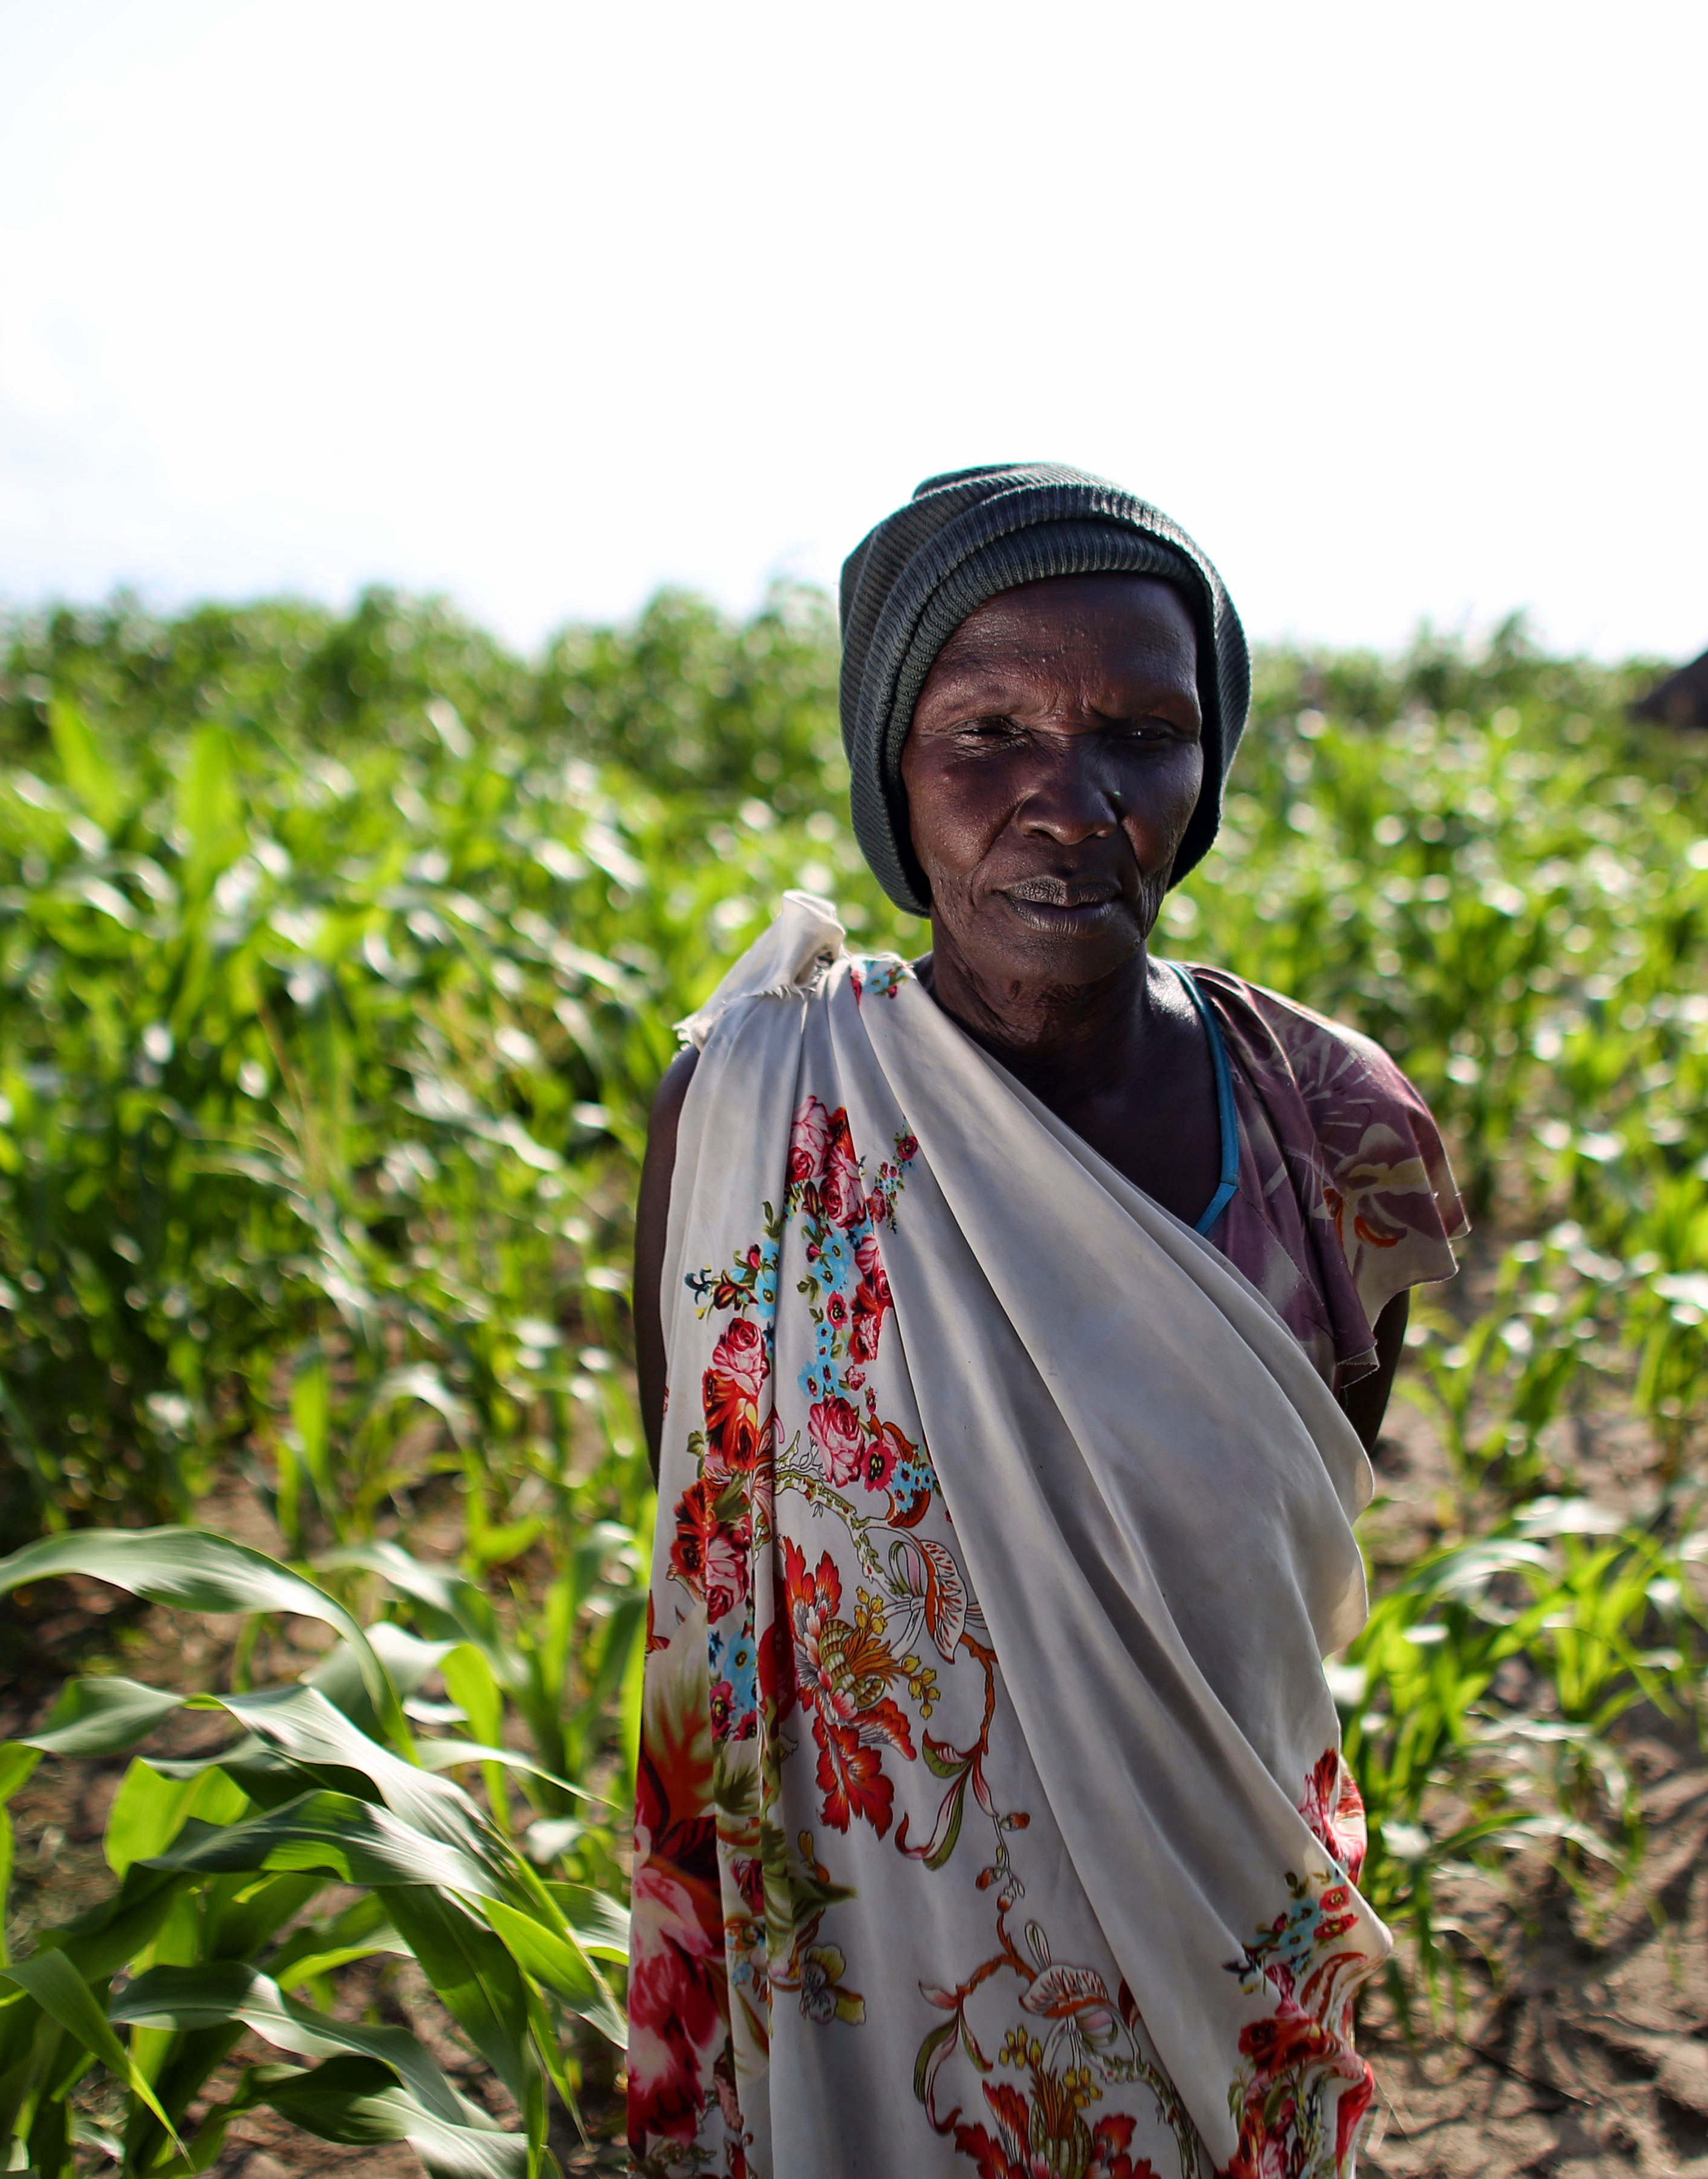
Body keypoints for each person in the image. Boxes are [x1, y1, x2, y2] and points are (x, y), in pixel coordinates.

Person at [625, 464, 1464, 2177]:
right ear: (890, 768)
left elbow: (1284, 1565)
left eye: (1143, 734)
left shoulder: (1331, 1133)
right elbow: (714, 1524)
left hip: (1209, 1904)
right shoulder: (756, 1107)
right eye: (988, 732)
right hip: (874, 1952)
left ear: (1206, 766)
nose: (1070, 803)